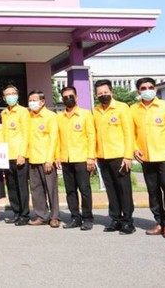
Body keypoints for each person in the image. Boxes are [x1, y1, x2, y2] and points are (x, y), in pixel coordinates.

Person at [131, 77, 165, 239]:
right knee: (153, 192)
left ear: (155, 89)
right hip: (147, 158)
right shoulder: (133, 109)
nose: (147, 90)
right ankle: (159, 222)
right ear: (138, 91)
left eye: (150, 87)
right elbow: (132, 133)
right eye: (143, 88)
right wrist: (135, 148)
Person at [93, 79, 136, 235]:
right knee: (110, 189)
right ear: (96, 95)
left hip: (119, 156)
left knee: (124, 189)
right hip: (103, 156)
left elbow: (129, 133)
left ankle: (128, 222)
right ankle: (115, 219)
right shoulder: (96, 111)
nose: (103, 95)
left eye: (105, 92)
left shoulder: (122, 108)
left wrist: (128, 156)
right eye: (100, 93)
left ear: (111, 92)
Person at [56, 86, 96, 231]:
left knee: (84, 190)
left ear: (76, 97)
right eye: (65, 97)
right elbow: (57, 138)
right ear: (62, 99)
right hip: (66, 159)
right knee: (70, 191)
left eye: (71, 96)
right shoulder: (59, 116)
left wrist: (91, 157)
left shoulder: (85, 114)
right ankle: (75, 218)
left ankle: (88, 218)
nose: (68, 99)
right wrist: (57, 156)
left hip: (82, 158)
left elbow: (91, 136)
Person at [27, 90, 61, 228]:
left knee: (51, 189)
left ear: (42, 102)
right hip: (32, 158)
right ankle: (42, 216)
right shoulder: (28, 116)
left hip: (46, 159)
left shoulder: (50, 116)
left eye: (34, 100)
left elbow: (54, 139)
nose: (32, 103)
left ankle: (54, 217)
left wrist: (49, 159)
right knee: (36, 190)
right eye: (30, 100)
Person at [0, 85, 30, 226]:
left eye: (13, 93)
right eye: (8, 94)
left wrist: (22, 154)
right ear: (4, 98)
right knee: (11, 186)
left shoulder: (23, 111)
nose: (11, 96)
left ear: (17, 96)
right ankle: (16, 213)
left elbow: (25, 133)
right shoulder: (4, 113)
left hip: (19, 155)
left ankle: (24, 214)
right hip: (7, 155)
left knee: (22, 186)